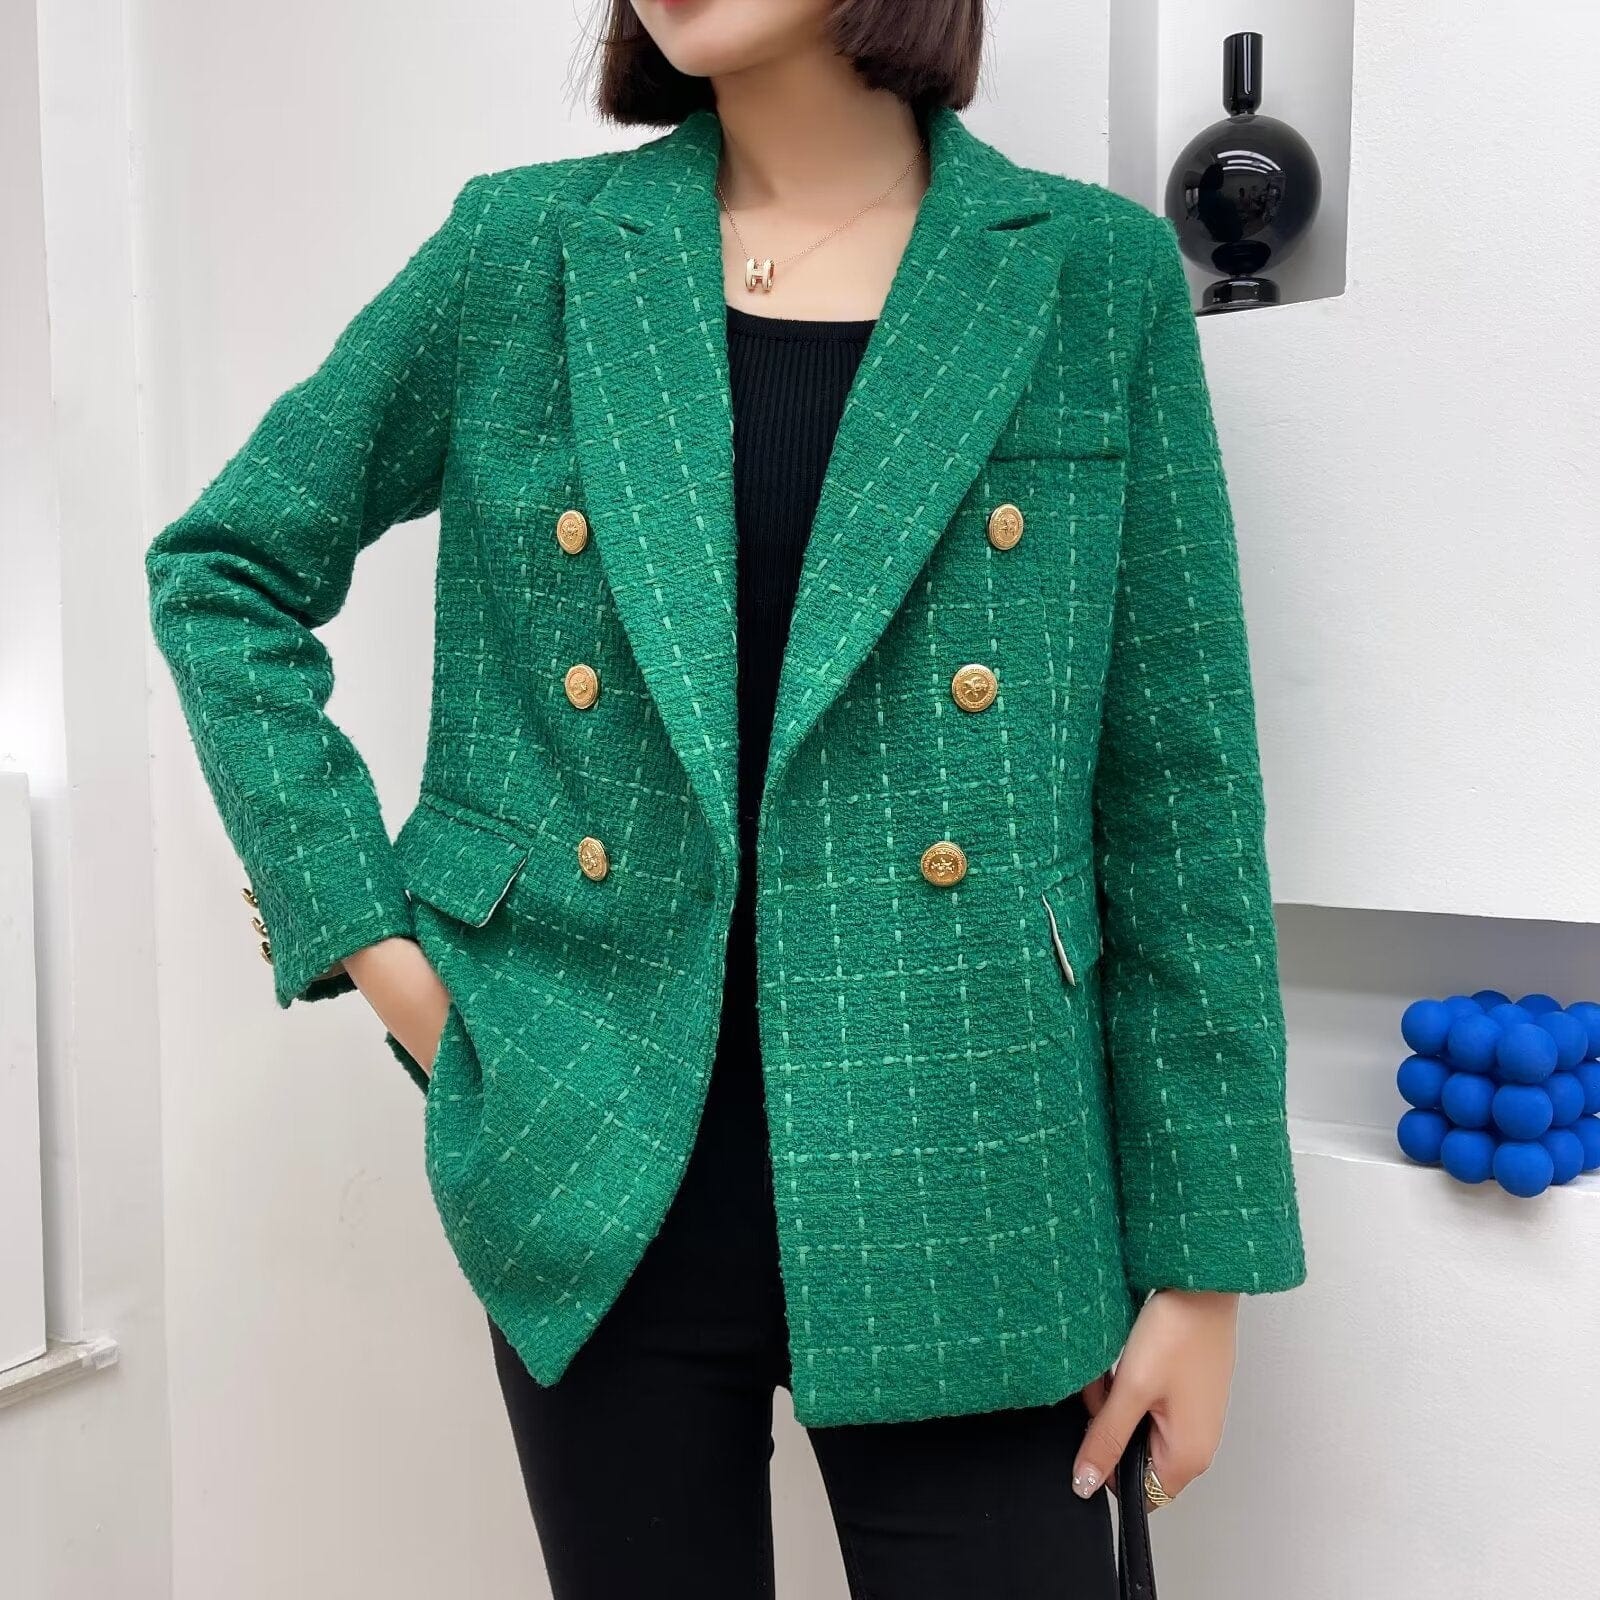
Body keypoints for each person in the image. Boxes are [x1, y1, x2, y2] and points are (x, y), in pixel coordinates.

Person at [143, 1, 1307, 1594]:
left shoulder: (1086, 273)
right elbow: (224, 571)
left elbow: (1178, 791)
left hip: (981, 1171)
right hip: (598, 1155)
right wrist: (380, 949)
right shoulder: (526, 253)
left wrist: (1203, 1266)